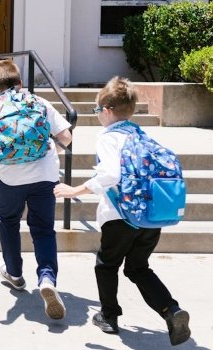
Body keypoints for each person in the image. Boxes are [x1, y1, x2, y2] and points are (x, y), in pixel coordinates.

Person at [54, 77, 191, 345]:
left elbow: (110, 175)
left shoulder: (108, 137)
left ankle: (108, 316)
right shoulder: (141, 135)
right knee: (138, 268)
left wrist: (75, 190)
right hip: (150, 217)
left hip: (119, 217)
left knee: (106, 265)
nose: (97, 117)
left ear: (106, 110)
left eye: (97, 112)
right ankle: (171, 310)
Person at [0, 59, 72, 320]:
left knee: (9, 222)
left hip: (11, 178)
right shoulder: (39, 102)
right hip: (45, 176)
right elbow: (67, 137)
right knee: (44, 229)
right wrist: (50, 151)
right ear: (20, 83)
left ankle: (14, 273)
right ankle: (46, 279)